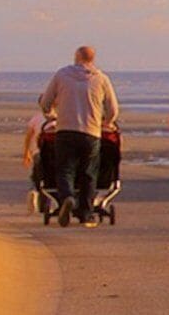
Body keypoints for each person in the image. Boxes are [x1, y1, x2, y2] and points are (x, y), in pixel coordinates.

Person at [34, 46, 118, 226]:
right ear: (92, 60)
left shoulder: (62, 75)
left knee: (65, 169)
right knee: (89, 172)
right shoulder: (101, 79)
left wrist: (51, 115)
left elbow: (46, 102)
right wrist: (106, 122)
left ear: (76, 57)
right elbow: (113, 109)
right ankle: (86, 213)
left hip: (65, 130)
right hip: (91, 132)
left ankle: (68, 198)